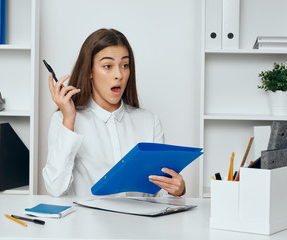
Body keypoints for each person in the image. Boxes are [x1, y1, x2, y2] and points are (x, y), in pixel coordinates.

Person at [43, 28, 185, 197]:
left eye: (125, 65)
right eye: (107, 66)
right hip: (86, 222)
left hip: (138, 222)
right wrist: (69, 120)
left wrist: (178, 191)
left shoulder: (149, 121)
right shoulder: (63, 120)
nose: (119, 74)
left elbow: (159, 194)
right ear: (89, 71)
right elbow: (55, 188)